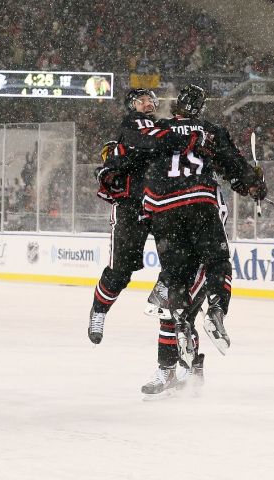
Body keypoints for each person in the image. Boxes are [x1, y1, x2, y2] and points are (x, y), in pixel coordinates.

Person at [137, 84, 267, 397]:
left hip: (168, 217)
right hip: (199, 224)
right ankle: (186, 359)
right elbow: (234, 168)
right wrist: (251, 183)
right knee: (185, 297)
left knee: (175, 305)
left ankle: (183, 369)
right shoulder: (209, 138)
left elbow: (137, 158)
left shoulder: (162, 132)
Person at [88, 88, 208, 344]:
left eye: (150, 100)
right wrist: (189, 138)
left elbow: (162, 146)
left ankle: (174, 317)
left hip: (159, 203)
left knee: (177, 262)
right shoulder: (135, 124)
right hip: (131, 207)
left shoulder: (159, 126)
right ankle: (98, 311)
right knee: (120, 272)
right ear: (132, 105)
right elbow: (151, 142)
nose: (148, 104)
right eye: (142, 100)